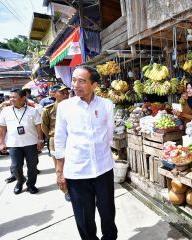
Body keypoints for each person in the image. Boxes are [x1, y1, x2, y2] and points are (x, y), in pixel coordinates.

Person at [55, 66, 117, 239]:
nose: (76, 85)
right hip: (77, 172)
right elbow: (60, 139)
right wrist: (60, 172)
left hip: (103, 169)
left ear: (94, 84)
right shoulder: (65, 107)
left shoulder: (106, 105)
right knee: (84, 217)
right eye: (74, 80)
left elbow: (109, 133)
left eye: (81, 81)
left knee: (107, 213)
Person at [0, 88, 44, 194]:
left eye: (14, 97)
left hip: (31, 143)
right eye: (10, 97)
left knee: (32, 166)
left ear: (23, 98)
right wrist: (1, 142)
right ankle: (20, 181)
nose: (11, 99)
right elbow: (2, 127)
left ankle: (31, 185)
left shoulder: (32, 111)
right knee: (15, 166)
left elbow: (38, 126)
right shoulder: (5, 111)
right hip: (14, 144)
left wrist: (41, 140)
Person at [41, 84, 70, 201]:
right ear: (53, 94)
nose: (66, 95)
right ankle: (66, 190)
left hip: (71, 138)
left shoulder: (73, 107)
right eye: (62, 93)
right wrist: (52, 138)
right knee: (60, 165)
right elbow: (45, 127)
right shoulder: (49, 109)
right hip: (56, 139)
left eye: (67, 93)